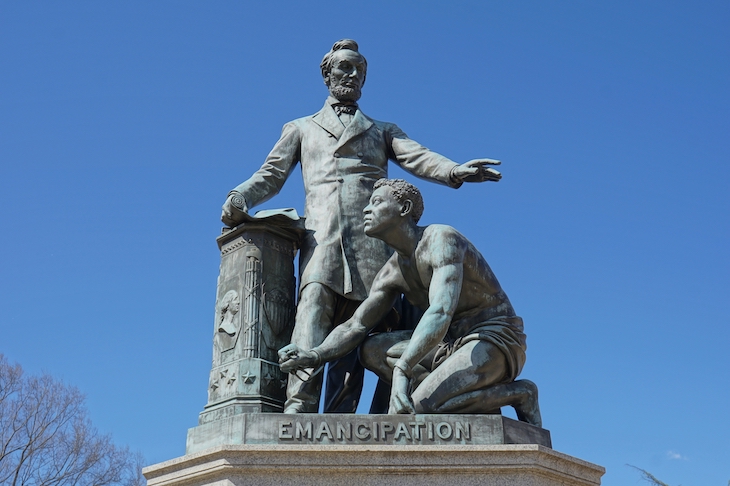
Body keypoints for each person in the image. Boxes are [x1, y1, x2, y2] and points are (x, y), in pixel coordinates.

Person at [221, 39, 503, 414]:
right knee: (313, 313)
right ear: (327, 75)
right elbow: (271, 174)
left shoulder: (381, 130)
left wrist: (453, 170)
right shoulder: (301, 128)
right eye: (345, 68)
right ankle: (299, 408)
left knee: (374, 331)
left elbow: (417, 157)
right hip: (323, 240)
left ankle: (362, 417)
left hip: (376, 246)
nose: (353, 76)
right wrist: (241, 196)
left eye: (360, 70)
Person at [279, 179, 541, 425]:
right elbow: (356, 325)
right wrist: (314, 354)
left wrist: (403, 370)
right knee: (371, 349)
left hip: (493, 340)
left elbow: (440, 311)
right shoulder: (393, 270)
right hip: (447, 345)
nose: (366, 210)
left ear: (404, 208)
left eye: (377, 202)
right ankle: (451, 392)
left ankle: (517, 393)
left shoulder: (441, 239)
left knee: (419, 409)